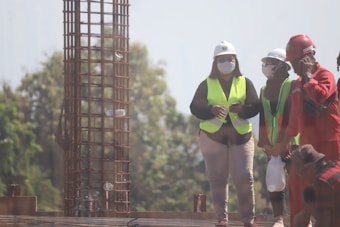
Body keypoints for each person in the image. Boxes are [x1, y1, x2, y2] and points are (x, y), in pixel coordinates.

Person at [190, 40, 260, 227]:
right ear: (215, 62)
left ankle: (249, 220)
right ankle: (222, 219)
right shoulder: (207, 83)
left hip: (241, 137)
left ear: (236, 61)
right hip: (213, 138)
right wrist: (210, 110)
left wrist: (242, 109)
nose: (226, 62)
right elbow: (195, 107)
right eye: (222, 59)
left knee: (244, 177)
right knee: (218, 179)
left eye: (230, 59)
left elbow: (255, 106)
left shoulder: (245, 82)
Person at [272, 34, 340, 227]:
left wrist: (309, 76)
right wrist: (283, 142)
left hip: (330, 146)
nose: (292, 66)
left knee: (332, 191)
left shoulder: (325, 76)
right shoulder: (295, 84)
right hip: (307, 149)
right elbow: (295, 120)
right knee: (296, 188)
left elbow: (319, 96)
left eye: (293, 61)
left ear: (306, 58)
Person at [257, 48, 299, 227]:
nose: (267, 67)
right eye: (266, 63)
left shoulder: (293, 85)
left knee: (297, 182)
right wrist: (265, 144)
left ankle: (300, 218)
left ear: (282, 66)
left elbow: (293, 114)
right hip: (272, 145)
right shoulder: (264, 89)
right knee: (274, 184)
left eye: (271, 63)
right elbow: (262, 117)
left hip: (291, 144)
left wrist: (285, 142)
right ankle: (278, 219)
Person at [291, 144, 340, 227]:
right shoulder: (336, 167)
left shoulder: (322, 181)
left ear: (310, 167)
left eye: (302, 173)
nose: (302, 177)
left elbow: (324, 221)